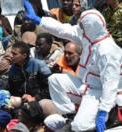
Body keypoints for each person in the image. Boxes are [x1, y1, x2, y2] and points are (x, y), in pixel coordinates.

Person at [24, 0, 122, 131]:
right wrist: (39, 20)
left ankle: (107, 117)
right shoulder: (89, 36)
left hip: (101, 92)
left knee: (80, 126)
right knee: (55, 80)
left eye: (82, 25)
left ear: (90, 26)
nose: (79, 27)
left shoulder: (107, 50)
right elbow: (64, 30)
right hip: (87, 85)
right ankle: (71, 114)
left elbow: (110, 84)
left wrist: (103, 110)